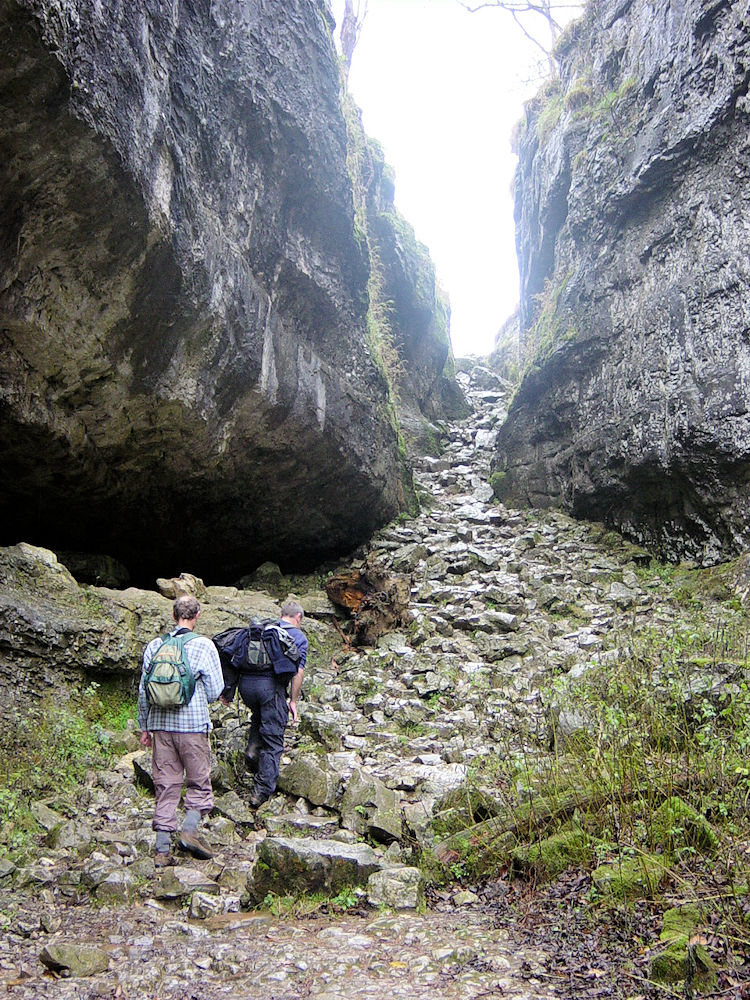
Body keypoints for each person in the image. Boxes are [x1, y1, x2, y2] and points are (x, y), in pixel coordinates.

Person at [138, 594, 224, 866]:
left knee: (165, 785)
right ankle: (188, 831)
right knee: (199, 782)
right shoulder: (204, 645)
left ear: (174, 615)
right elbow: (215, 690)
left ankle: (162, 850)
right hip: (192, 727)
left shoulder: (155, 645)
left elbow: (143, 691)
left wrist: (144, 727)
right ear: (197, 615)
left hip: (160, 727)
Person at [220, 599, 307, 808]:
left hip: (246, 688)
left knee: (258, 717)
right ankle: (262, 792)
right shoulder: (296, 636)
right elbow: (298, 672)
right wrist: (293, 701)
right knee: (274, 739)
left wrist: (228, 691)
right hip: (270, 688)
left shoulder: (263, 630)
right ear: (298, 618)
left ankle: (252, 753)